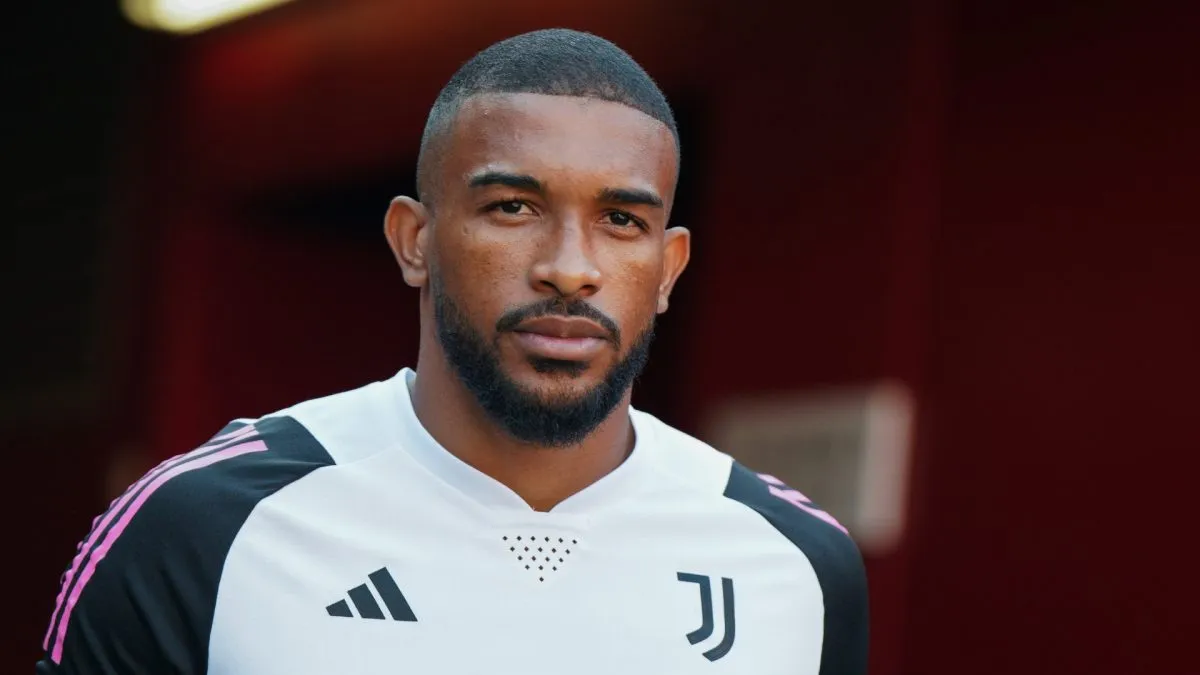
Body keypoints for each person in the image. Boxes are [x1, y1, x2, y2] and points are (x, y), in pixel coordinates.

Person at [37, 28, 868, 674]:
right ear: (415, 240)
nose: (571, 268)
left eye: (621, 220)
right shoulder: (201, 526)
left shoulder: (793, 563)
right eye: (512, 207)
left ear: (666, 267)